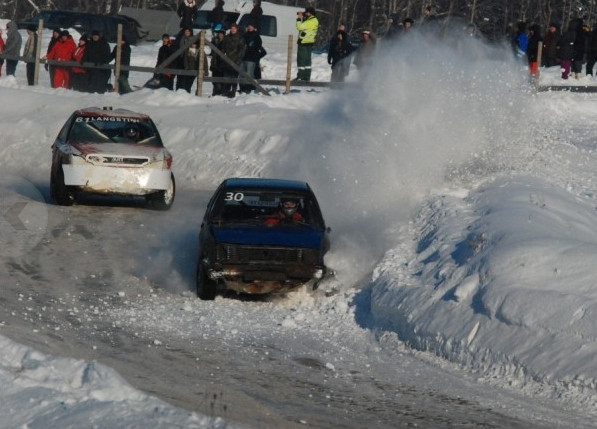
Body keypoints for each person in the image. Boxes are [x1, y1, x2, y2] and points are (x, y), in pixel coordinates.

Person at [220, 23, 246, 98]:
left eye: (234, 28)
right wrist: (222, 56)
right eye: (231, 28)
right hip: (227, 60)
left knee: (234, 77)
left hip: (236, 61)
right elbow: (223, 48)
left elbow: (242, 50)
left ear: (237, 29)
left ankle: (233, 91)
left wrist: (238, 59)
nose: (233, 29)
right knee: (227, 76)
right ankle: (226, 91)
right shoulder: (227, 37)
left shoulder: (240, 38)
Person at [295, 6, 319, 81]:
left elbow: (300, 27)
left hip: (304, 42)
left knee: (301, 60)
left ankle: (301, 76)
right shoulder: (313, 20)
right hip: (308, 42)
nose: (305, 13)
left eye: (307, 12)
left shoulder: (311, 21)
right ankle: (306, 76)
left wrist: (299, 18)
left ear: (310, 13)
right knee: (307, 61)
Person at [240, 20, 262, 93]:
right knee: (242, 74)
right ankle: (242, 88)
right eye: (248, 26)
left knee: (249, 74)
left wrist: (252, 50)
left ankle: (249, 88)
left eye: (251, 26)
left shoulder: (256, 36)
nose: (249, 27)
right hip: (244, 58)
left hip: (251, 59)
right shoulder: (245, 35)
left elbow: (258, 47)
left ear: (254, 27)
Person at [209, 27, 226, 96]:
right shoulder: (215, 41)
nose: (220, 35)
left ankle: (219, 93)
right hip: (215, 62)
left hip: (222, 63)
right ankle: (215, 92)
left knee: (221, 78)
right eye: (219, 34)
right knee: (214, 78)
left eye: (222, 34)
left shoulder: (226, 42)